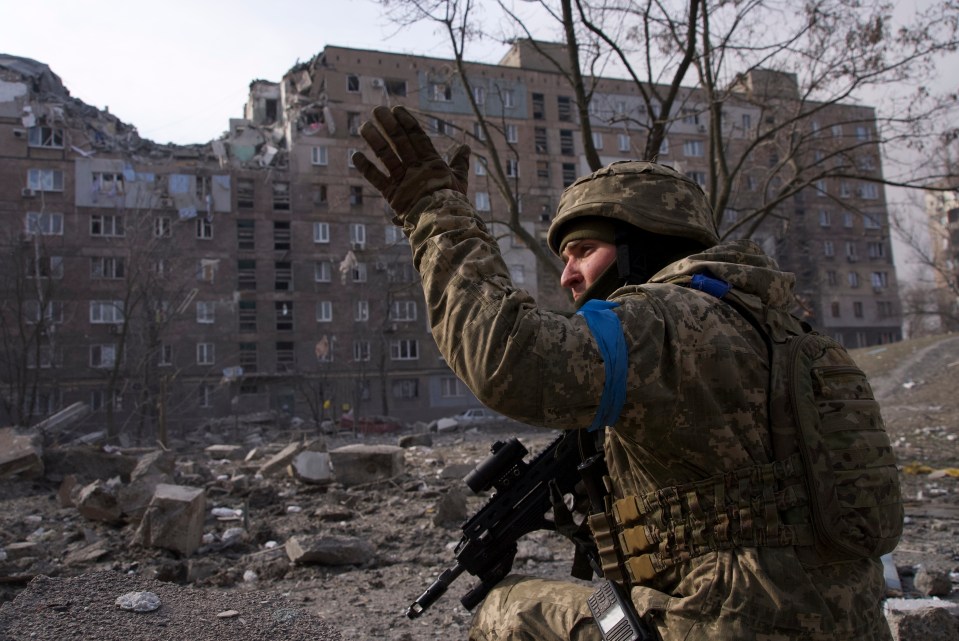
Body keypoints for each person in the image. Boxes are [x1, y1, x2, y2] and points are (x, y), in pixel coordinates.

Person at [352, 105, 893, 641]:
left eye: (583, 251)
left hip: (725, 623)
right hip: (843, 621)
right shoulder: (785, 331)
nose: (568, 275)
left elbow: (508, 358)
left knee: (504, 610)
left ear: (643, 247)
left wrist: (436, 214)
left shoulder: (664, 319)